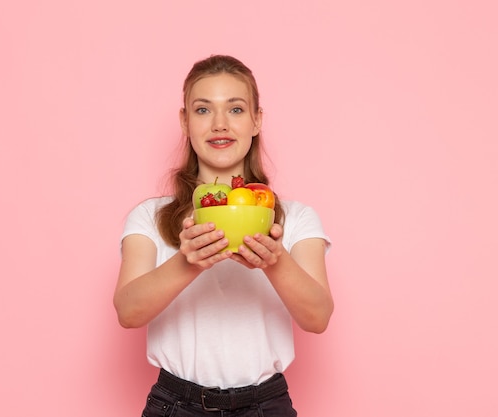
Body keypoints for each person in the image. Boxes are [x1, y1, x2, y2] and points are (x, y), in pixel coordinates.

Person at [114, 54, 334, 416]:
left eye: (235, 109)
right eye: (202, 110)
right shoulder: (150, 217)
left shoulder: (294, 218)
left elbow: (318, 317)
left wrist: (274, 262)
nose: (219, 124)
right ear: (184, 121)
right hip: (176, 405)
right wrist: (188, 263)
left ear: (256, 120)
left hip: (266, 406)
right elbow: (127, 311)